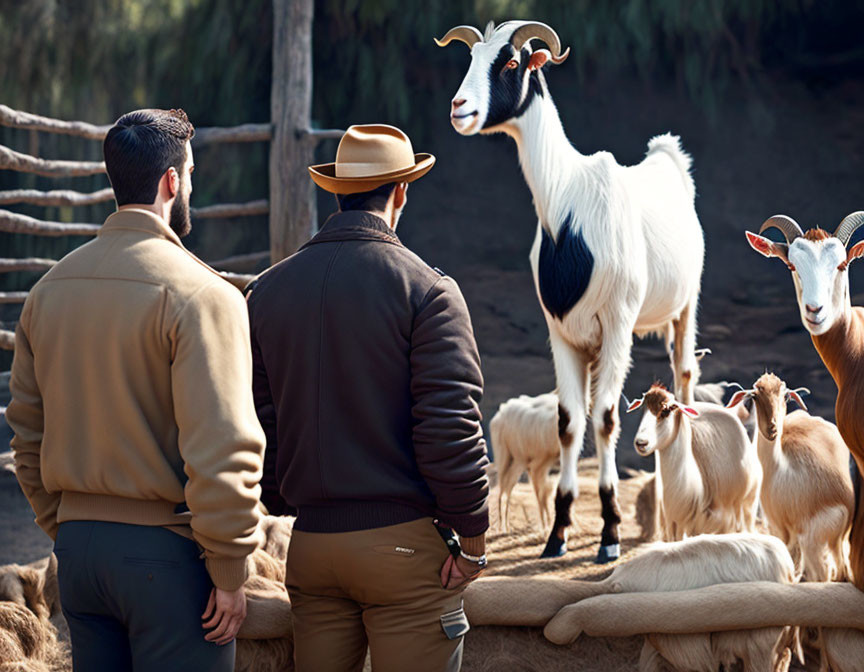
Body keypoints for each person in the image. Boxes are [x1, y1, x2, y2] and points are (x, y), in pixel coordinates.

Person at [6, 108, 266, 672]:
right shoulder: (203, 295)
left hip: (77, 559)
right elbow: (223, 446)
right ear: (172, 181)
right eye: (190, 172)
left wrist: (68, 522)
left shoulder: (47, 293)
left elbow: (26, 434)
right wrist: (228, 569)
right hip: (168, 562)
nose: (191, 183)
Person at [246, 123, 490, 672]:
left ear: (335, 191)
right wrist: (470, 533)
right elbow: (451, 425)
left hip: (309, 549)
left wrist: (288, 502)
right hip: (402, 550)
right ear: (401, 191)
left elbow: (261, 420)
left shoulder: (264, 293)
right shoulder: (429, 291)